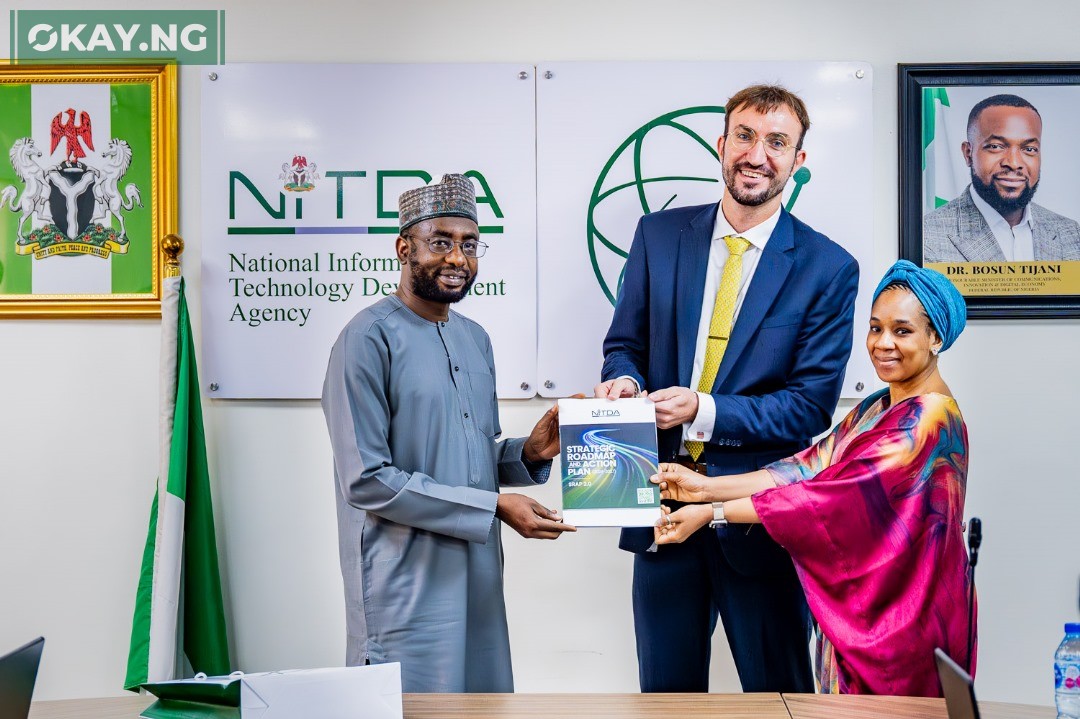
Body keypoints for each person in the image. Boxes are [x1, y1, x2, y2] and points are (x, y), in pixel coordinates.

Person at [596, 84, 859, 693]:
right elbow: (624, 343)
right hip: (658, 505)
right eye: (744, 136)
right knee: (665, 698)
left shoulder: (827, 267)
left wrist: (703, 410)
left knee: (781, 699)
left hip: (758, 521)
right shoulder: (659, 236)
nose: (756, 154)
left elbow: (809, 406)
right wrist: (625, 381)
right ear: (720, 143)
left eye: (777, 142)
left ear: (799, 161)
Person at [652, 260, 974, 697]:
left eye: (902, 331)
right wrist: (702, 487)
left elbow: (821, 499)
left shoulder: (925, 421)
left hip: (903, 623)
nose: (882, 344)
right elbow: (807, 466)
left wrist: (710, 512)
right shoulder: (882, 405)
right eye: (875, 328)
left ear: (936, 337)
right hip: (881, 613)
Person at [322, 174, 575, 693]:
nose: (457, 258)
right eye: (440, 242)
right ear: (403, 248)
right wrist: (493, 507)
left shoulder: (474, 339)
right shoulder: (367, 339)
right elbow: (367, 479)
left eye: (468, 245)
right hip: (405, 586)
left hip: (478, 578)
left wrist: (527, 452)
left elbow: (468, 455)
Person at [923, 93, 1080, 262]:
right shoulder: (927, 237)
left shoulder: (1071, 233)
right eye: (996, 147)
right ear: (968, 154)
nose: (1013, 163)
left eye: (1029, 149)